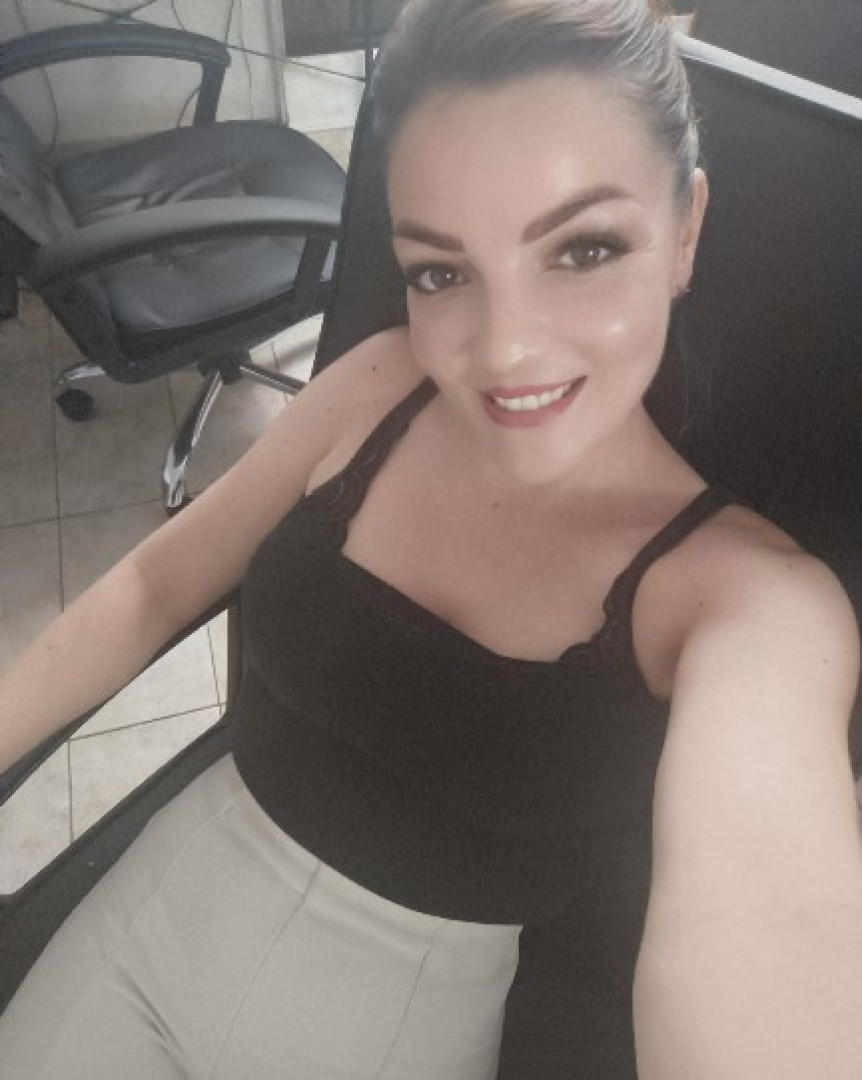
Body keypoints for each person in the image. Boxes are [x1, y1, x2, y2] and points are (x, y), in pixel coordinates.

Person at [1, 0, 861, 1076]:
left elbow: (771, 950)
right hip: (148, 924)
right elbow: (152, 589)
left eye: (583, 248)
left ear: (685, 229)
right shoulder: (379, 386)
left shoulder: (749, 606)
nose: (502, 351)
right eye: (440, 272)